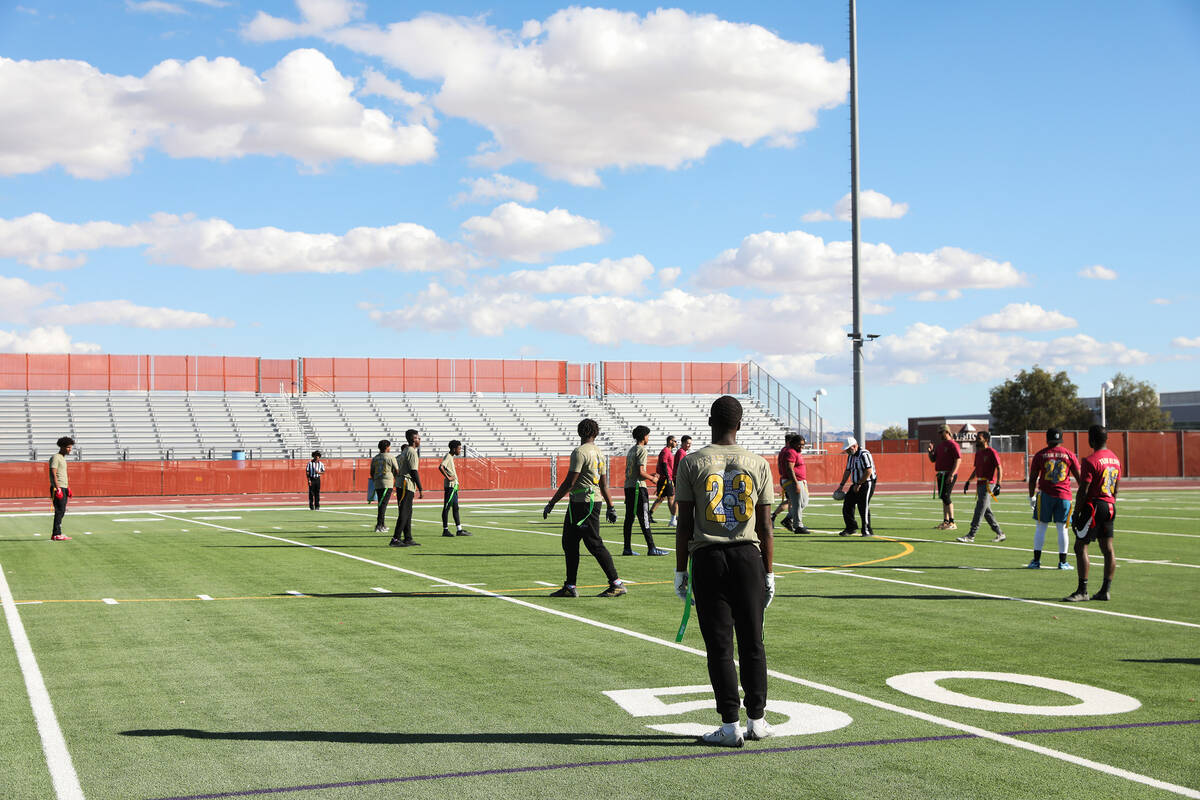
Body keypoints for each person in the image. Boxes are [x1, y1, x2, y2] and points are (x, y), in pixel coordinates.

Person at [673, 396, 774, 747]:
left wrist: (679, 570)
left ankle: (730, 724)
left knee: (719, 645)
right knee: (753, 642)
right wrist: (769, 572)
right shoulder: (758, 462)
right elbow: (765, 525)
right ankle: (756, 719)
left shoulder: (691, 462)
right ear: (740, 424)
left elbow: (684, 522)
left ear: (710, 420)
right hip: (749, 556)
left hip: (708, 557)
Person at [543, 418, 626, 598]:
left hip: (583, 503)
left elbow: (570, 482)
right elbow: (604, 484)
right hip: (587, 502)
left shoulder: (580, 452)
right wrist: (611, 506)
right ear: (595, 433)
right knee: (569, 542)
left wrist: (552, 502)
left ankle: (616, 583)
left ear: (580, 432)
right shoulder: (599, 452)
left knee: (593, 543)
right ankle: (570, 585)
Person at [1063, 425, 1122, 602]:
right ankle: (1105, 590)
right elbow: (1116, 489)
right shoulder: (1115, 459)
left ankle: (1083, 590)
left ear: (1091, 440)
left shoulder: (1090, 461)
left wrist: (1077, 512)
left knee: (1080, 546)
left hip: (1095, 505)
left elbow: (1084, 489)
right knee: (1108, 548)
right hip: (1110, 505)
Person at [1026, 427, 1081, 570]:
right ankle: (1063, 562)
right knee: (1062, 529)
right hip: (1064, 495)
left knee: (1041, 527)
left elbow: (1032, 478)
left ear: (1047, 439)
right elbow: (1080, 478)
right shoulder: (1069, 454)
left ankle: (1036, 561)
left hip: (1045, 495)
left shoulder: (1040, 455)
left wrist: (1031, 496)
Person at [622, 426, 666, 556]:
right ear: (643, 436)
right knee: (644, 518)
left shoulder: (631, 450)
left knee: (629, 518)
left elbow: (636, 471)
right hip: (638, 488)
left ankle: (627, 548)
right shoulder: (642, 450)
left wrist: (648, 474)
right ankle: (652, 548)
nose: (648, 438)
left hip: (629, 486)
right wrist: (653, 478)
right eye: (648, 435)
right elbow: (641, 472)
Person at [956, 431, 1005, 543]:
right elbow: (976, 470)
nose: (976, 440)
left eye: (979, 438)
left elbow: (999, 468)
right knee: (986, 511)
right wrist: (968, 481)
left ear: (986, 440)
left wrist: (998, 484)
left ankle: (971, 535)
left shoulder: (992, 452)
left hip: (988, 484)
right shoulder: (978, 453)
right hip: (980, 484)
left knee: (979, 508)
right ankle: (1000, 533)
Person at [835, 436, 876, 536]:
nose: (848, 451)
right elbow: (848, 470)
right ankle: (851, 528)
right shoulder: (851, 456)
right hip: (856, 483)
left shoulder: (864, 454)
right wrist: (841, 485)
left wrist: (859, 484)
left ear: (855, 446)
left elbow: (868, 471)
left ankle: (867, 530)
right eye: (847, 449)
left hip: (867, 482)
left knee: (863, 506)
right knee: (848, 504)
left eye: (849, 448)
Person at [391, 429, 424, 547]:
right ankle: (395, 539)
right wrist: (420, 488)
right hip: (406, 484)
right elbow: (414, 471)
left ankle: (408, 538)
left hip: (402, 483)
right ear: (413, 439)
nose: (420, 440)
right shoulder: (412, 451)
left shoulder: (405, 450)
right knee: (405, 512)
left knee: (407, 512)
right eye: (418, 438)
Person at [927, 424, 961, 530]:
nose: (939, 435)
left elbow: (958, 459)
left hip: (949, 474)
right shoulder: (940, 446)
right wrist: (930, 452)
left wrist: (952, 474)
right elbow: (933, 459)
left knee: (946, 496)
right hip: (941, 474)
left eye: (941, 433)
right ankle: (945, 521)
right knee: (943, 497)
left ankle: (952, 522)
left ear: (947, 432)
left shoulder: (953, 445)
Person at [776, 433, 811, 535]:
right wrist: (796, 483)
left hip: (797, 480)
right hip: (793, 481)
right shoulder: (790, 452)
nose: (801, 447)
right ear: (793, 443)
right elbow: (789, 468)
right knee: (797, 504)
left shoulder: (791, 451)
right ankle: (798, 525)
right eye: (799, 445)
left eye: (803, 445)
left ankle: (788, 519)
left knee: (803, 502)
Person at [439, 440, 471, 537]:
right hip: (450, 487)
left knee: (456, 508)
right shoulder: (448, 457)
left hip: (454, 487)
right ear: (454, 449)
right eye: (459, 448)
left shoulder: (451, 457)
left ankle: (459, 529)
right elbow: (440, 467)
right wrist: (448, 477)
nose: (460, 450)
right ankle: (445, 530)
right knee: (447, 507)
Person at [648, 435, 678, 527]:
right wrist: (668, 477)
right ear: (670, 441)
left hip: (666, 478)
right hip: (665, 479)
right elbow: (663, 464)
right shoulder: (665, 451)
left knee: (661, 498)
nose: (676, 443)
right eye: (675, 441)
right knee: (671, 498)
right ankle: (673, 518)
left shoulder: (669, 451)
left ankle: (649, 514)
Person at [370, 439, 399, 533]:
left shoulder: (375, 458)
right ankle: (379, 525)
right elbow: (397, 470)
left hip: (378, 482)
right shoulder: (390, 457)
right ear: (387, 447)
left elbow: (372, 472)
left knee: (381, 504)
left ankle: (382, 524)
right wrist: (395, 478)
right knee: (383, 505)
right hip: (387, 482)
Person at [48, 436, 74, 541]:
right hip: (57, 488)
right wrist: (57, 488)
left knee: (62, 510)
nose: (70, 449)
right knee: (59, 511)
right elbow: (53, 473)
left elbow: (62, 474)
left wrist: (67, 488)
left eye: (70, 447)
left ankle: (57, 532)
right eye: (68, 447)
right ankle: (56, 534)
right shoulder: (56, 457)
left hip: (63, 487)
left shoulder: (63, 458)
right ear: (62, 447)